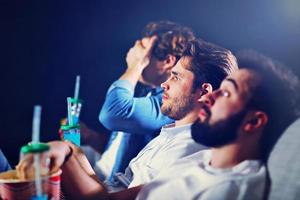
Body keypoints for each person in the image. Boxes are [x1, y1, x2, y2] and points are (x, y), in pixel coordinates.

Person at [95, 21, 195, 181]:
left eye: (144, 51)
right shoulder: (147, 93)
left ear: (168, 61)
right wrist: (89, 137)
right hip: (102, 174)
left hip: (113, 190)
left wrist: (136, 65)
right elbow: (116, 150)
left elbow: (112, 114)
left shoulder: (172, 103)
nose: (133, 53)